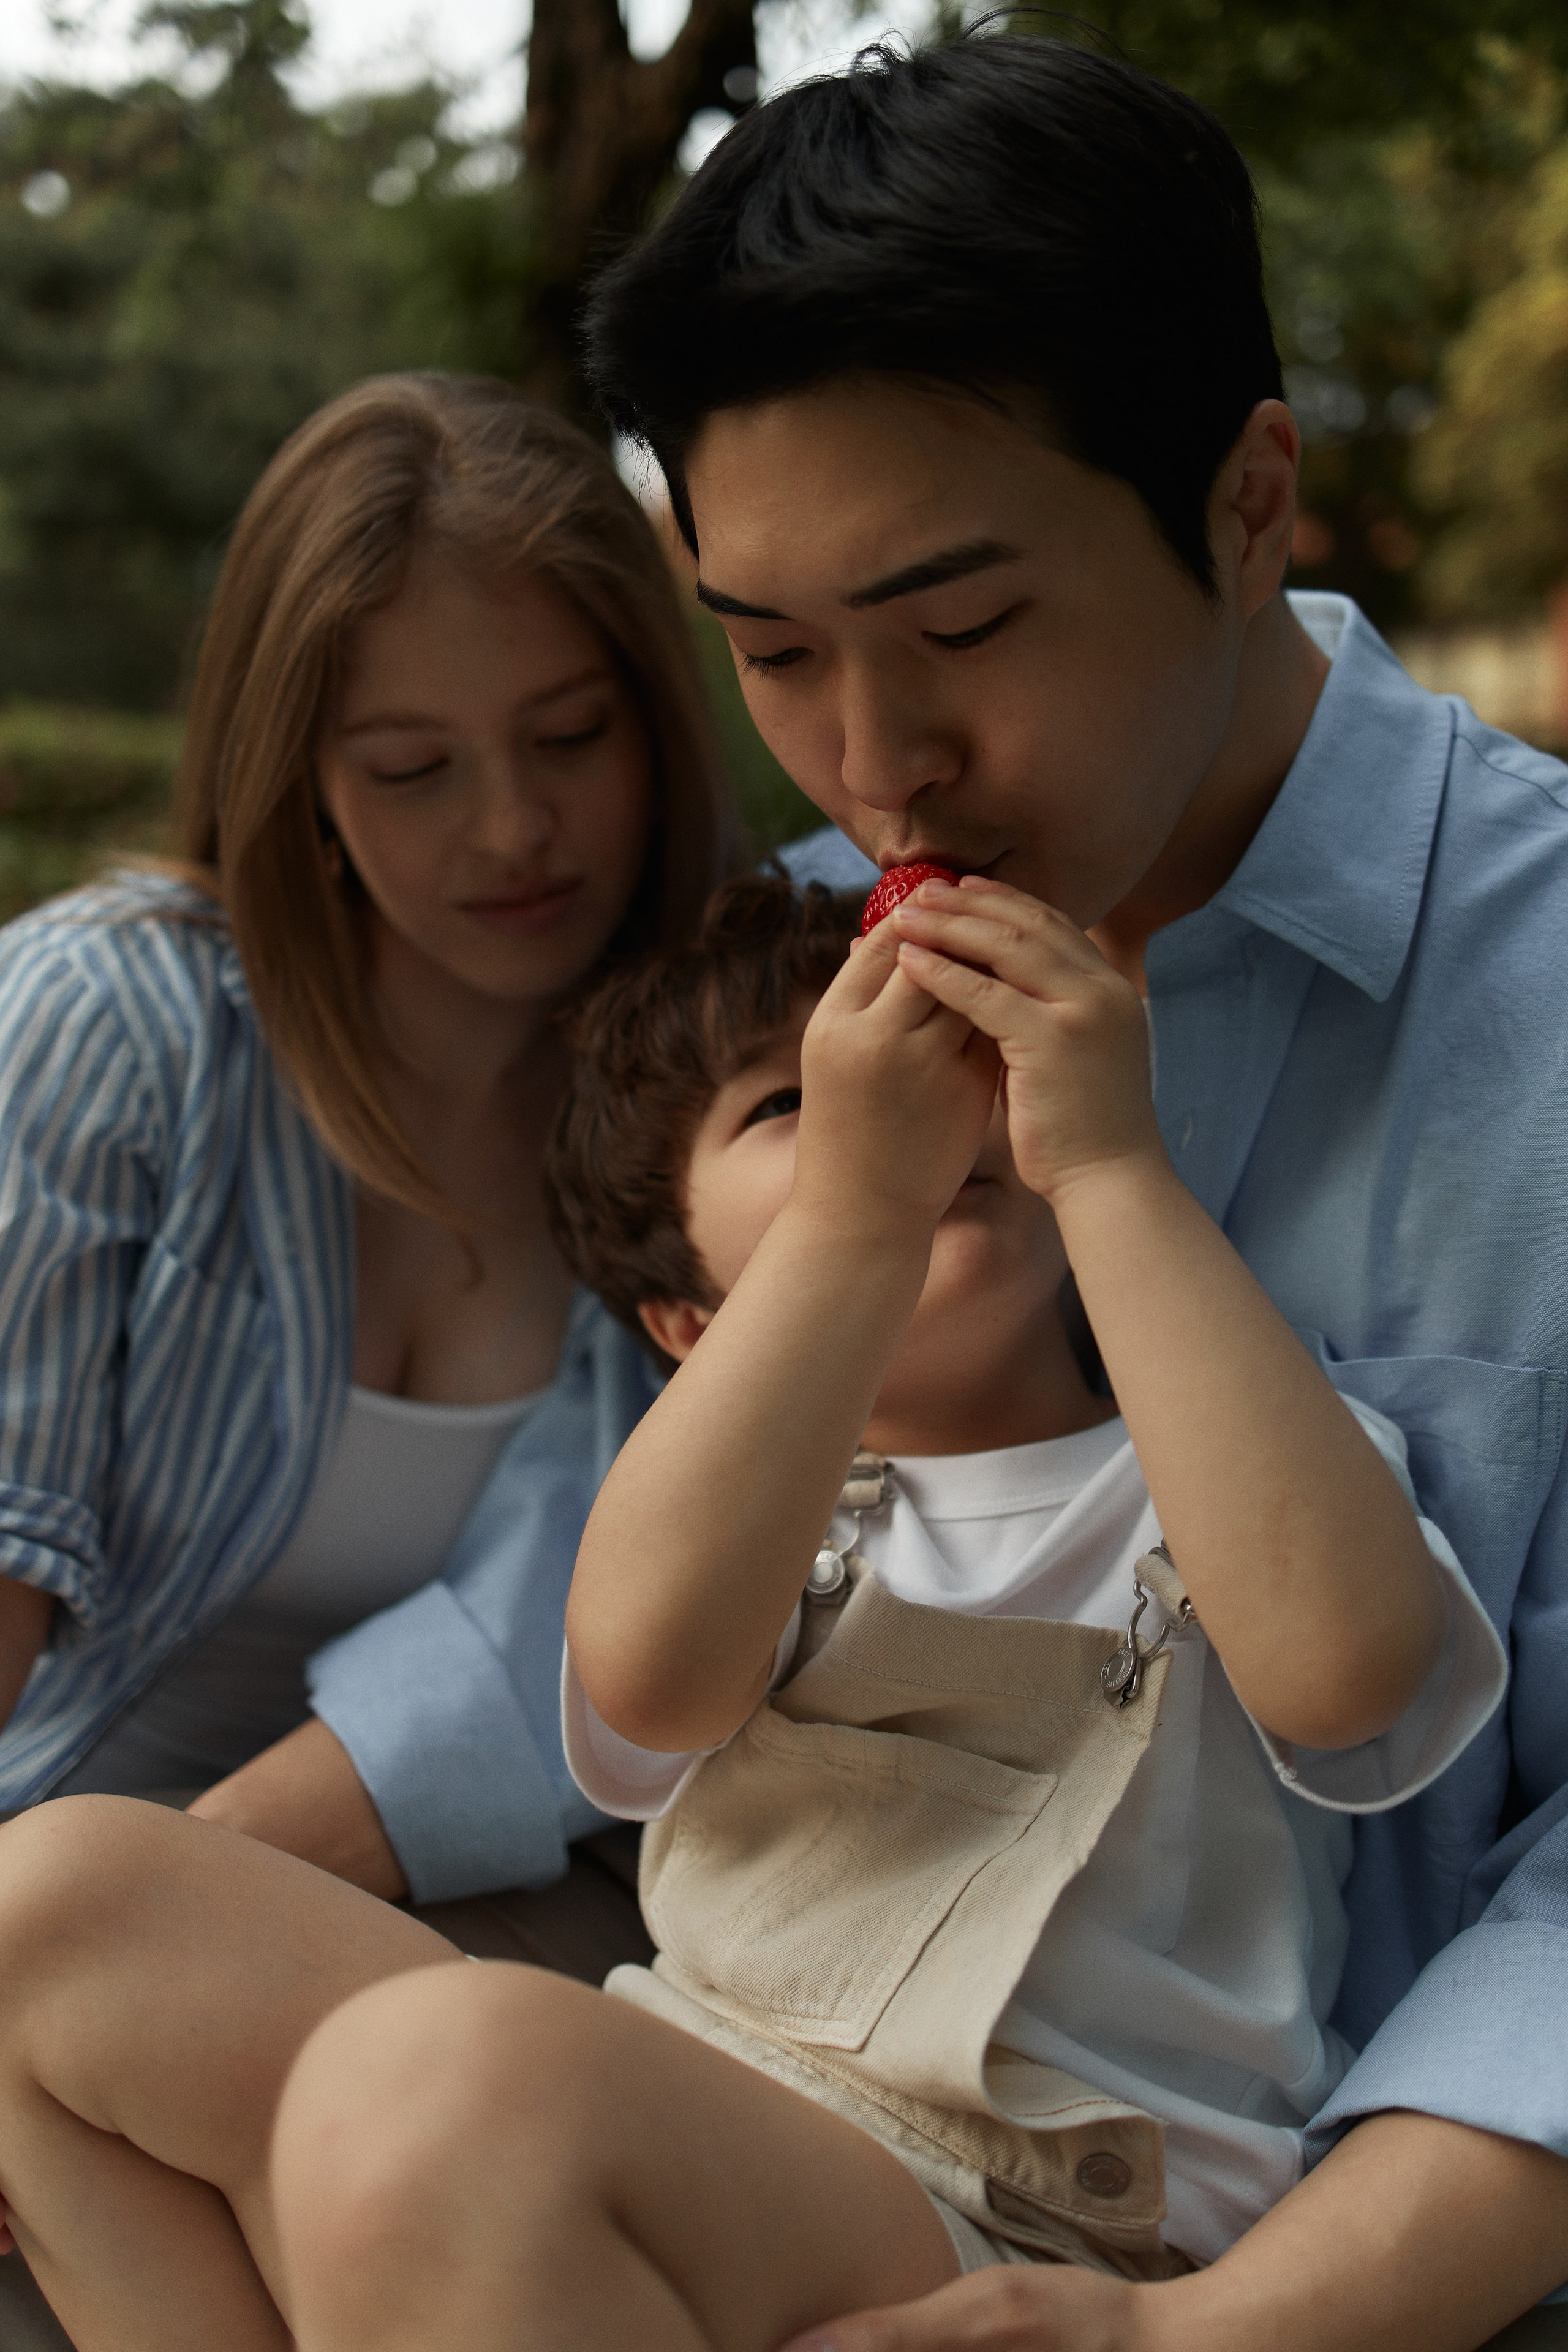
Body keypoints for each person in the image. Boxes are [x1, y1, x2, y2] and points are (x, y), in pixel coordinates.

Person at [573, 29, 1568, 2344]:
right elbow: (618, 1590)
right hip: (787, 2109)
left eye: (963, 630)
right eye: (777, 656)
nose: (875, 762)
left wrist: (1239, 2329)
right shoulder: (796, 977)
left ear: (1248, 504)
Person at [0, 371, 729, 1938]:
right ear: (307, 784)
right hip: (57, 1912)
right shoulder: (109, 1031)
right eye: (413, 768)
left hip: (486, 1937)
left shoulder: (729, 1096)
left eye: (571, 735)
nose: (513, 830)